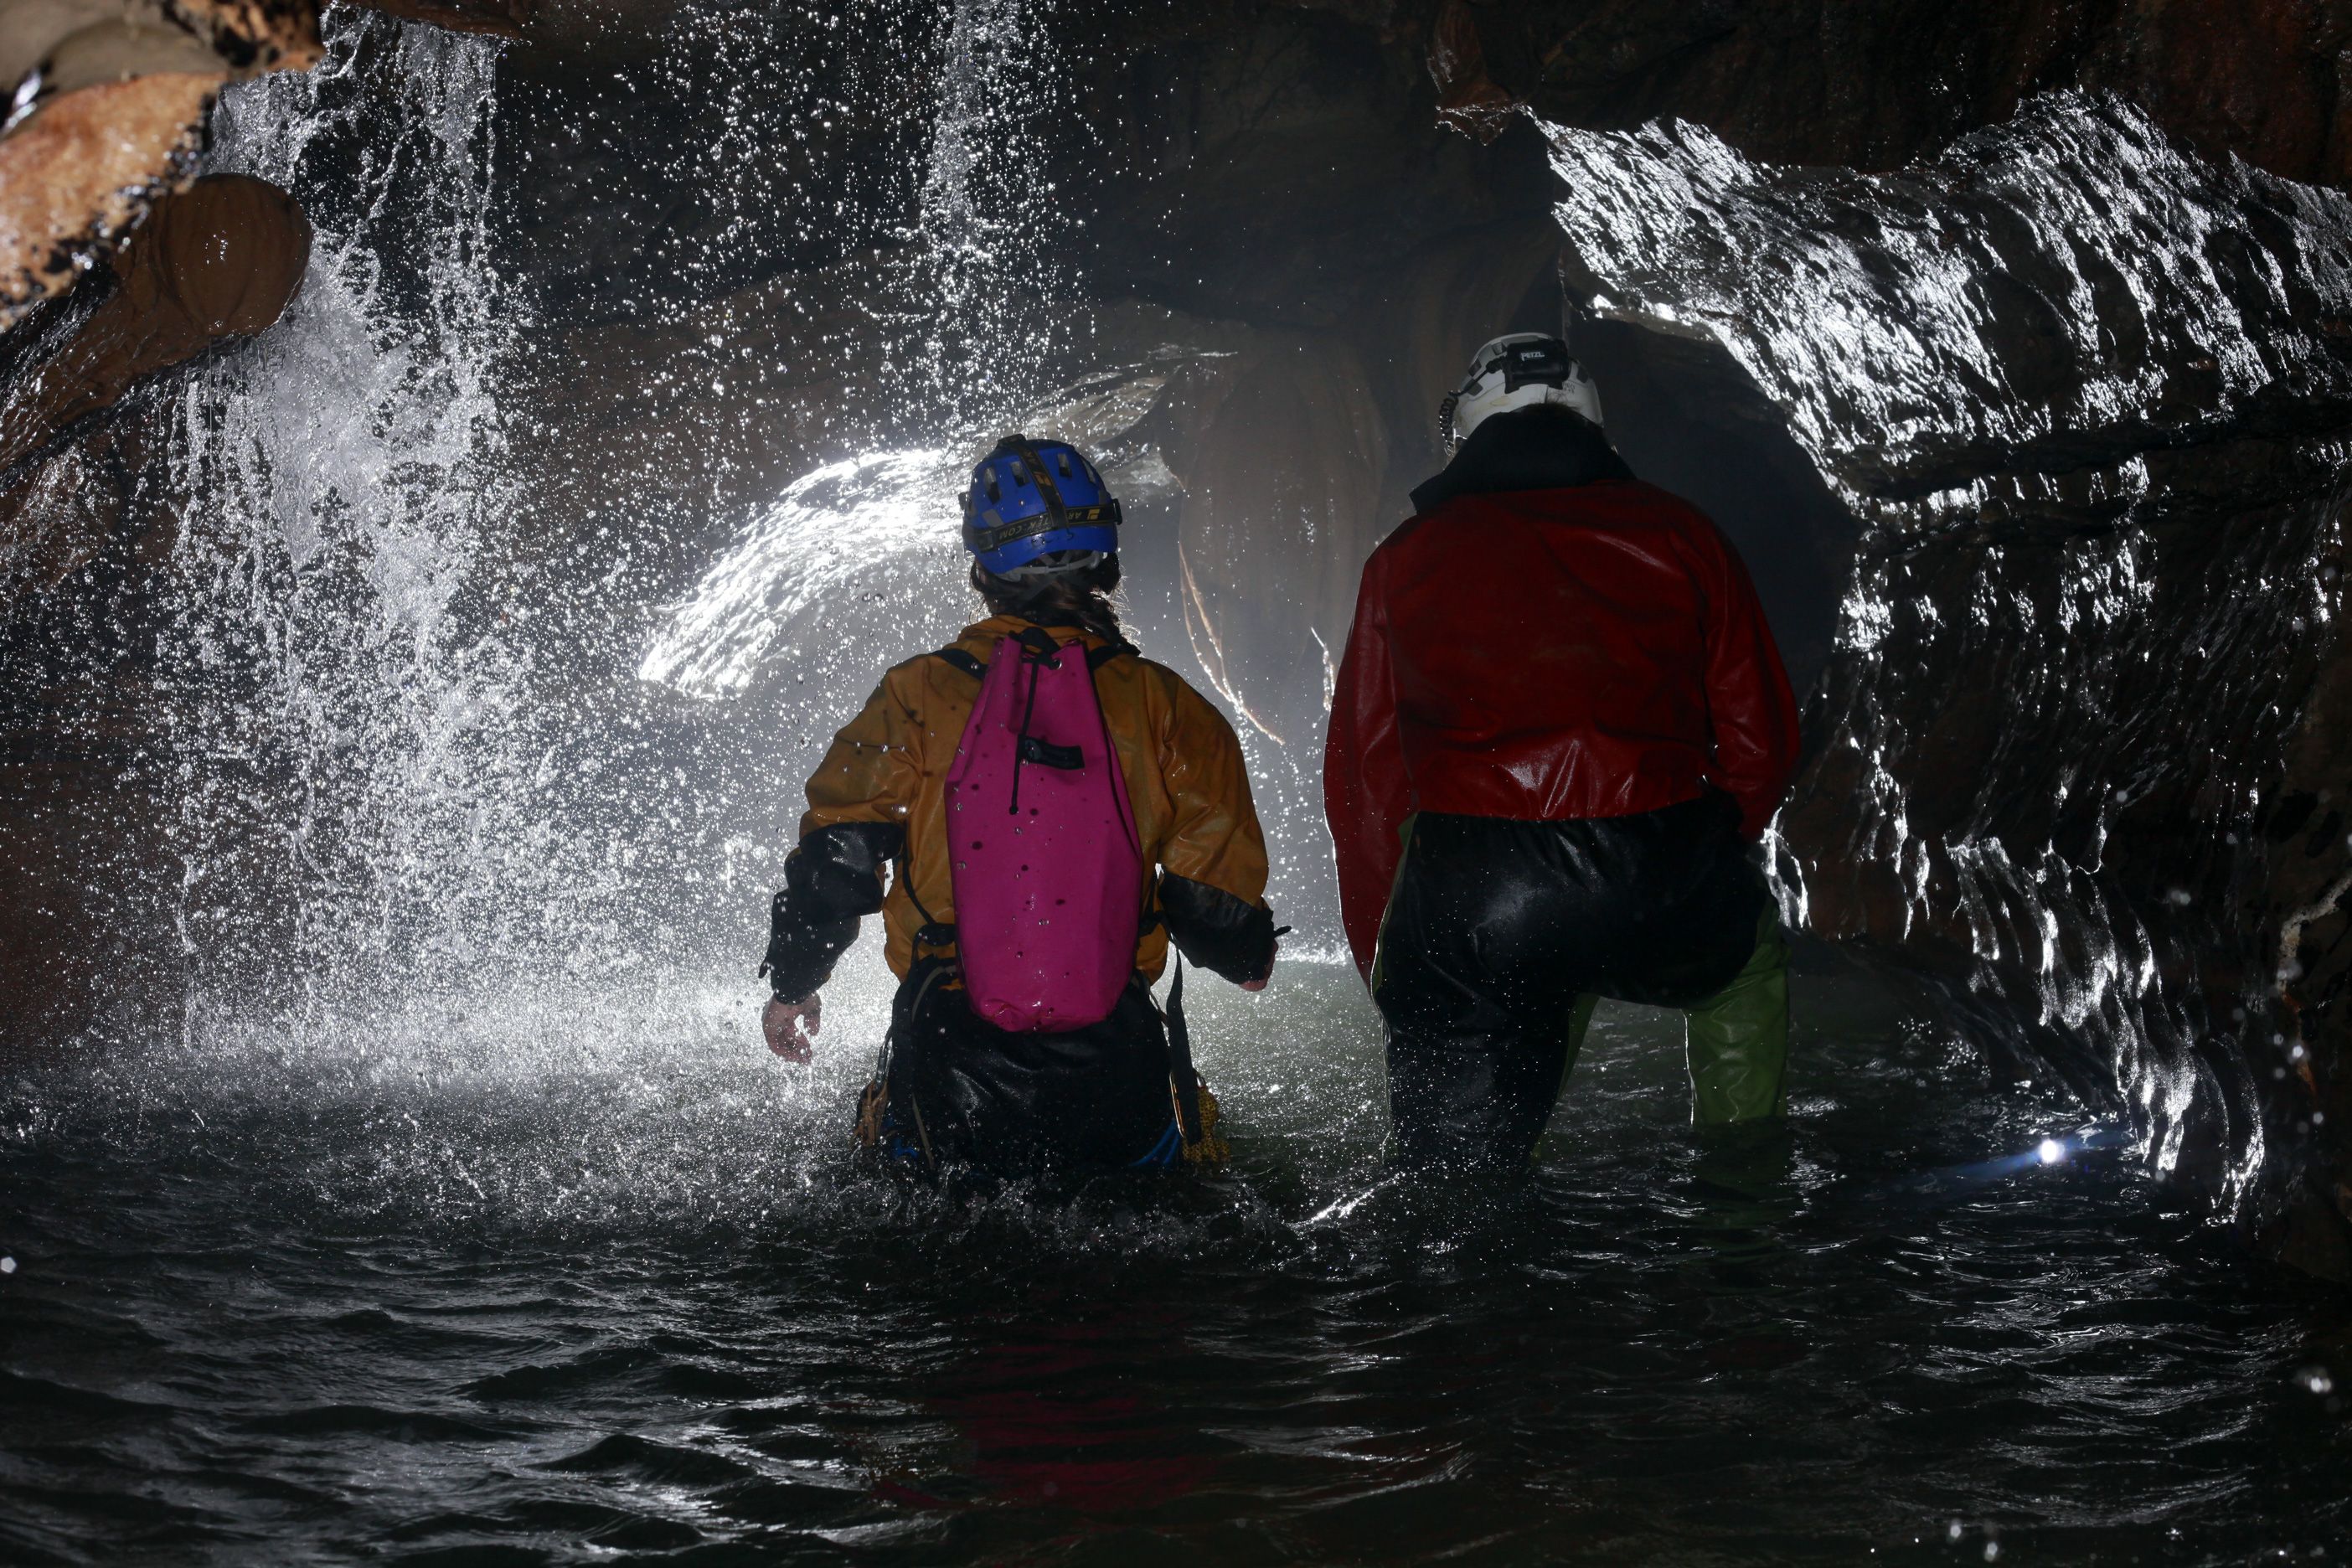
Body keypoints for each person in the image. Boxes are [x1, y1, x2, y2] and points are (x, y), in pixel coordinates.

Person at [1323, 333, 1801, 1171]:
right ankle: (1741, 1211)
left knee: (1450, 1181)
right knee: (1741, 975)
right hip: (1656, 856)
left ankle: (1458, 1246)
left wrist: (1393, 963)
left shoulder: (1403, 558)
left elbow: (1369, 781)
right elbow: (1760, 740)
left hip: (1476, 888)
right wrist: (1709, 850)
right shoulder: (1684, 533)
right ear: (1591, 424)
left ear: (1468, 429)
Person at [760, 434, 1280, 1173]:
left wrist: (795, 983)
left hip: (948, 1038)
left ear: (982, 567)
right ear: (1106, 557)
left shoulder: (918, 694)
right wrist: (1246, 958)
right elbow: (1211, 892)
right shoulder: (1166, 703)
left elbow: (839, 859)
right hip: (1114, 1036)